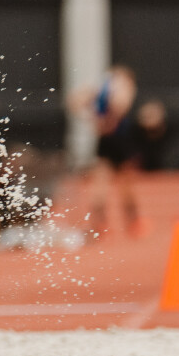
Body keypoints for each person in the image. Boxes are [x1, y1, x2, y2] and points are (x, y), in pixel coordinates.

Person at [71, 65, 148, 238]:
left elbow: (75, 101)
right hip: (119, 138)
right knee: (123, 183)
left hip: (107, 139)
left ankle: (100, 223)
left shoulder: (101, 88)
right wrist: (105, 120)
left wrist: (95, 119)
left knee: (104, 182)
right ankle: (131, 222)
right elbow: (120, 104)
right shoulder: (122, 85)